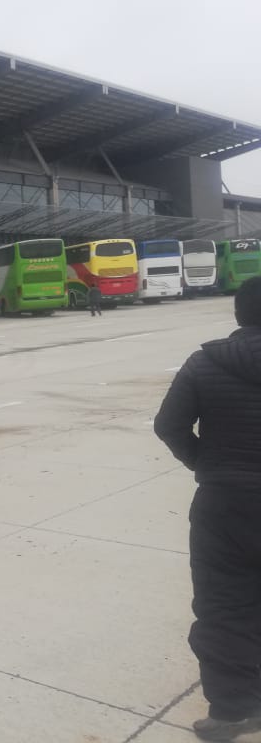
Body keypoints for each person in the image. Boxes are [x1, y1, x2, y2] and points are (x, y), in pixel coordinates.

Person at [154, 276, 261, 741]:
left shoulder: (203, 364)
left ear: (238, 315)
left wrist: (207, 464)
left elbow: (168, 425)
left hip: (224, 504)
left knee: (223, 605)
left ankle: (233, 709)